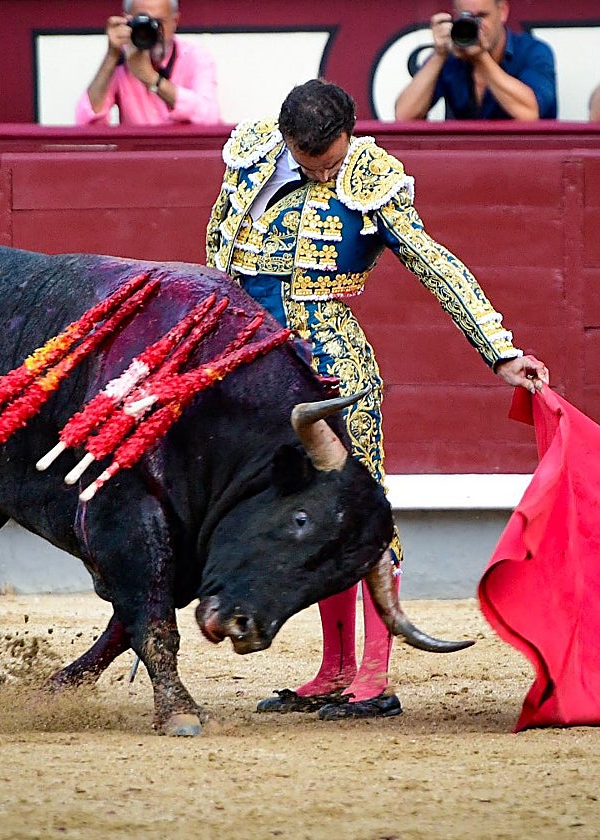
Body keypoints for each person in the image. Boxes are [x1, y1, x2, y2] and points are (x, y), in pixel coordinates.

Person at [205, 79, 549, 720]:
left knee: (358, 507)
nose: (323, 171)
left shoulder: (372, 176)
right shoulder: (251, 154)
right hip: (257, 364)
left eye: (331, 159)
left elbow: (433, 263)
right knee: (300, 509)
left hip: (333, 363)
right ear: (285, 138)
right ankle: (332, 669)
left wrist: (499, 351)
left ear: (350, 134)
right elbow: (217, 255)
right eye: (311, 160)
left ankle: (373, 674)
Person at [394, 0, 556, 121]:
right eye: (467, 17)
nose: (475, 25)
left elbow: (529, 113)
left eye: (482, 16)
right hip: (466, 161)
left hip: (526, 160)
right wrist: (439, 55)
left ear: (503, 11)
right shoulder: (449, 58)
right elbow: (404, 116)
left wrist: (481, 58)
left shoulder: (533, 51)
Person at [75, 0, 219, 126]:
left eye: (159, 23)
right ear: (127, 20)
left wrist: (151, 78)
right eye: (144, 22)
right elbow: (86, 121)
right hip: (137, 154)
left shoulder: (196, 56)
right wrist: (111, 56)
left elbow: (210, 117)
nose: (153, 32)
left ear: (175, 21)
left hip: (185, 152)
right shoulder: (122, 58)